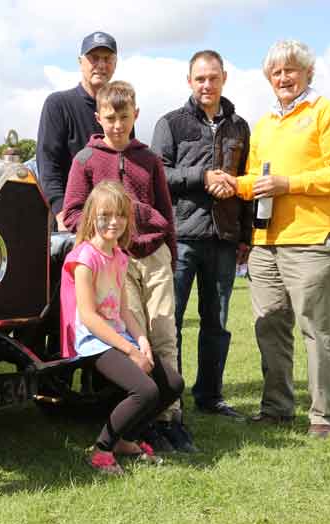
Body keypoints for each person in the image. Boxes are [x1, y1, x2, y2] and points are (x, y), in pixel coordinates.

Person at [212, 40, 330, 438]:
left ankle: (323, 416)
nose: (283, 78)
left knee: (316, 328)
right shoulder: (264, 125)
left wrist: (288, 183)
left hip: (311, 238)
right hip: (265, 242)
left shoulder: (329, 114)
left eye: (290, 70)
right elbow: (261, 182)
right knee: (269, 326)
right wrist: (233, 184)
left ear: (307, 72)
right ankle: (277, 408)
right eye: (276, 73)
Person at [63, 81, 195, 453]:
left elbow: (164, 215)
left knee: (165, 333)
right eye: (110, 118)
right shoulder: (86, 161)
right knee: (132, 337)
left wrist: (166, 251)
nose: (117, 125)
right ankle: (140, 423)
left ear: (135, 115)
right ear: (99, 117)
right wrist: (106, 231)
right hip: (115, 262)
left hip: (153, 256)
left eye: (124, 117)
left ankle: (171, 420)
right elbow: (73, 213)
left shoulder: (148, 159)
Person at [151, 50, 252, 420]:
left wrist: (245, 236)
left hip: (224, 239)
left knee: (217, 323)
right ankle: (168, 396)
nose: (207, 84)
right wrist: (202, 178)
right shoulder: (171, 123)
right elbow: (157, 174)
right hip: (181, 237)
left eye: (213, 77)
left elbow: (246, 181)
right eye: (200, 79)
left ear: (224, 77)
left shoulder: (239, 126)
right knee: (170, 322)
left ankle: (209, 396)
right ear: (189, 81)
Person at [60, 180, 184, 474]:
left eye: (121, 215)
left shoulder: (119, 256)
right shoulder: (84, 259)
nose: (114, 222)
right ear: (92, 217)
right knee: (145, 391)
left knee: (173, 385)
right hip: (94, 340)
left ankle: (126, 440)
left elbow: (125, 309)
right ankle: (102, 449)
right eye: (106, 215)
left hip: (119, 335)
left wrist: (141, 341)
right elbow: (89, 317)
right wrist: (130, 350)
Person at [37, 31, 134, 230]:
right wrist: (62, 214)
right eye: (93, 58)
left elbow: (130, 166)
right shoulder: (58, 105)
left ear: (115, 64)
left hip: (116, 225)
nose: (100, 64)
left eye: (107, 59)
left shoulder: (123, 108)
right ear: (80, 62)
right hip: (72, 224)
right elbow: (48, 166)